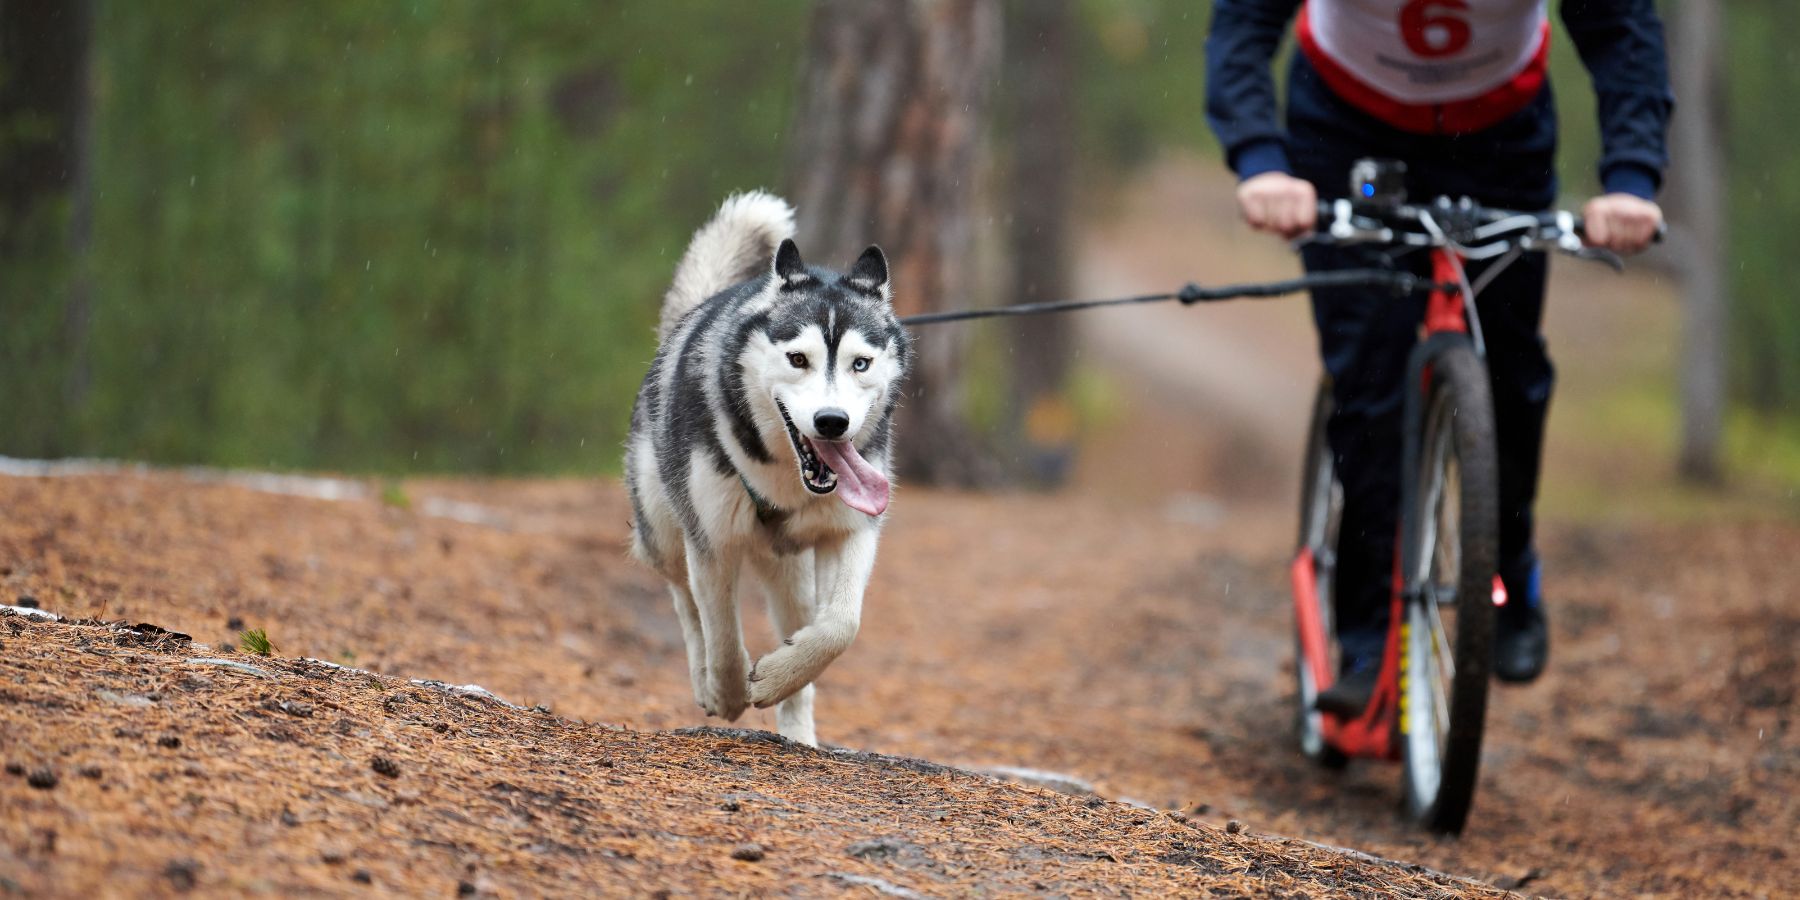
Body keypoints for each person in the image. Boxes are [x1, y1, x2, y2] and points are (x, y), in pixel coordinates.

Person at [1204, 0, 1671, 714]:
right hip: (1345, 124)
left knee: (1512, 375)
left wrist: (1632, 179)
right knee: (1371, 386)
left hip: (1498, 136)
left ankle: (1507, 564)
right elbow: (1244, 20)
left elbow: (1622, 29)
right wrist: (1261, 162)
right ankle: (1363, 631)